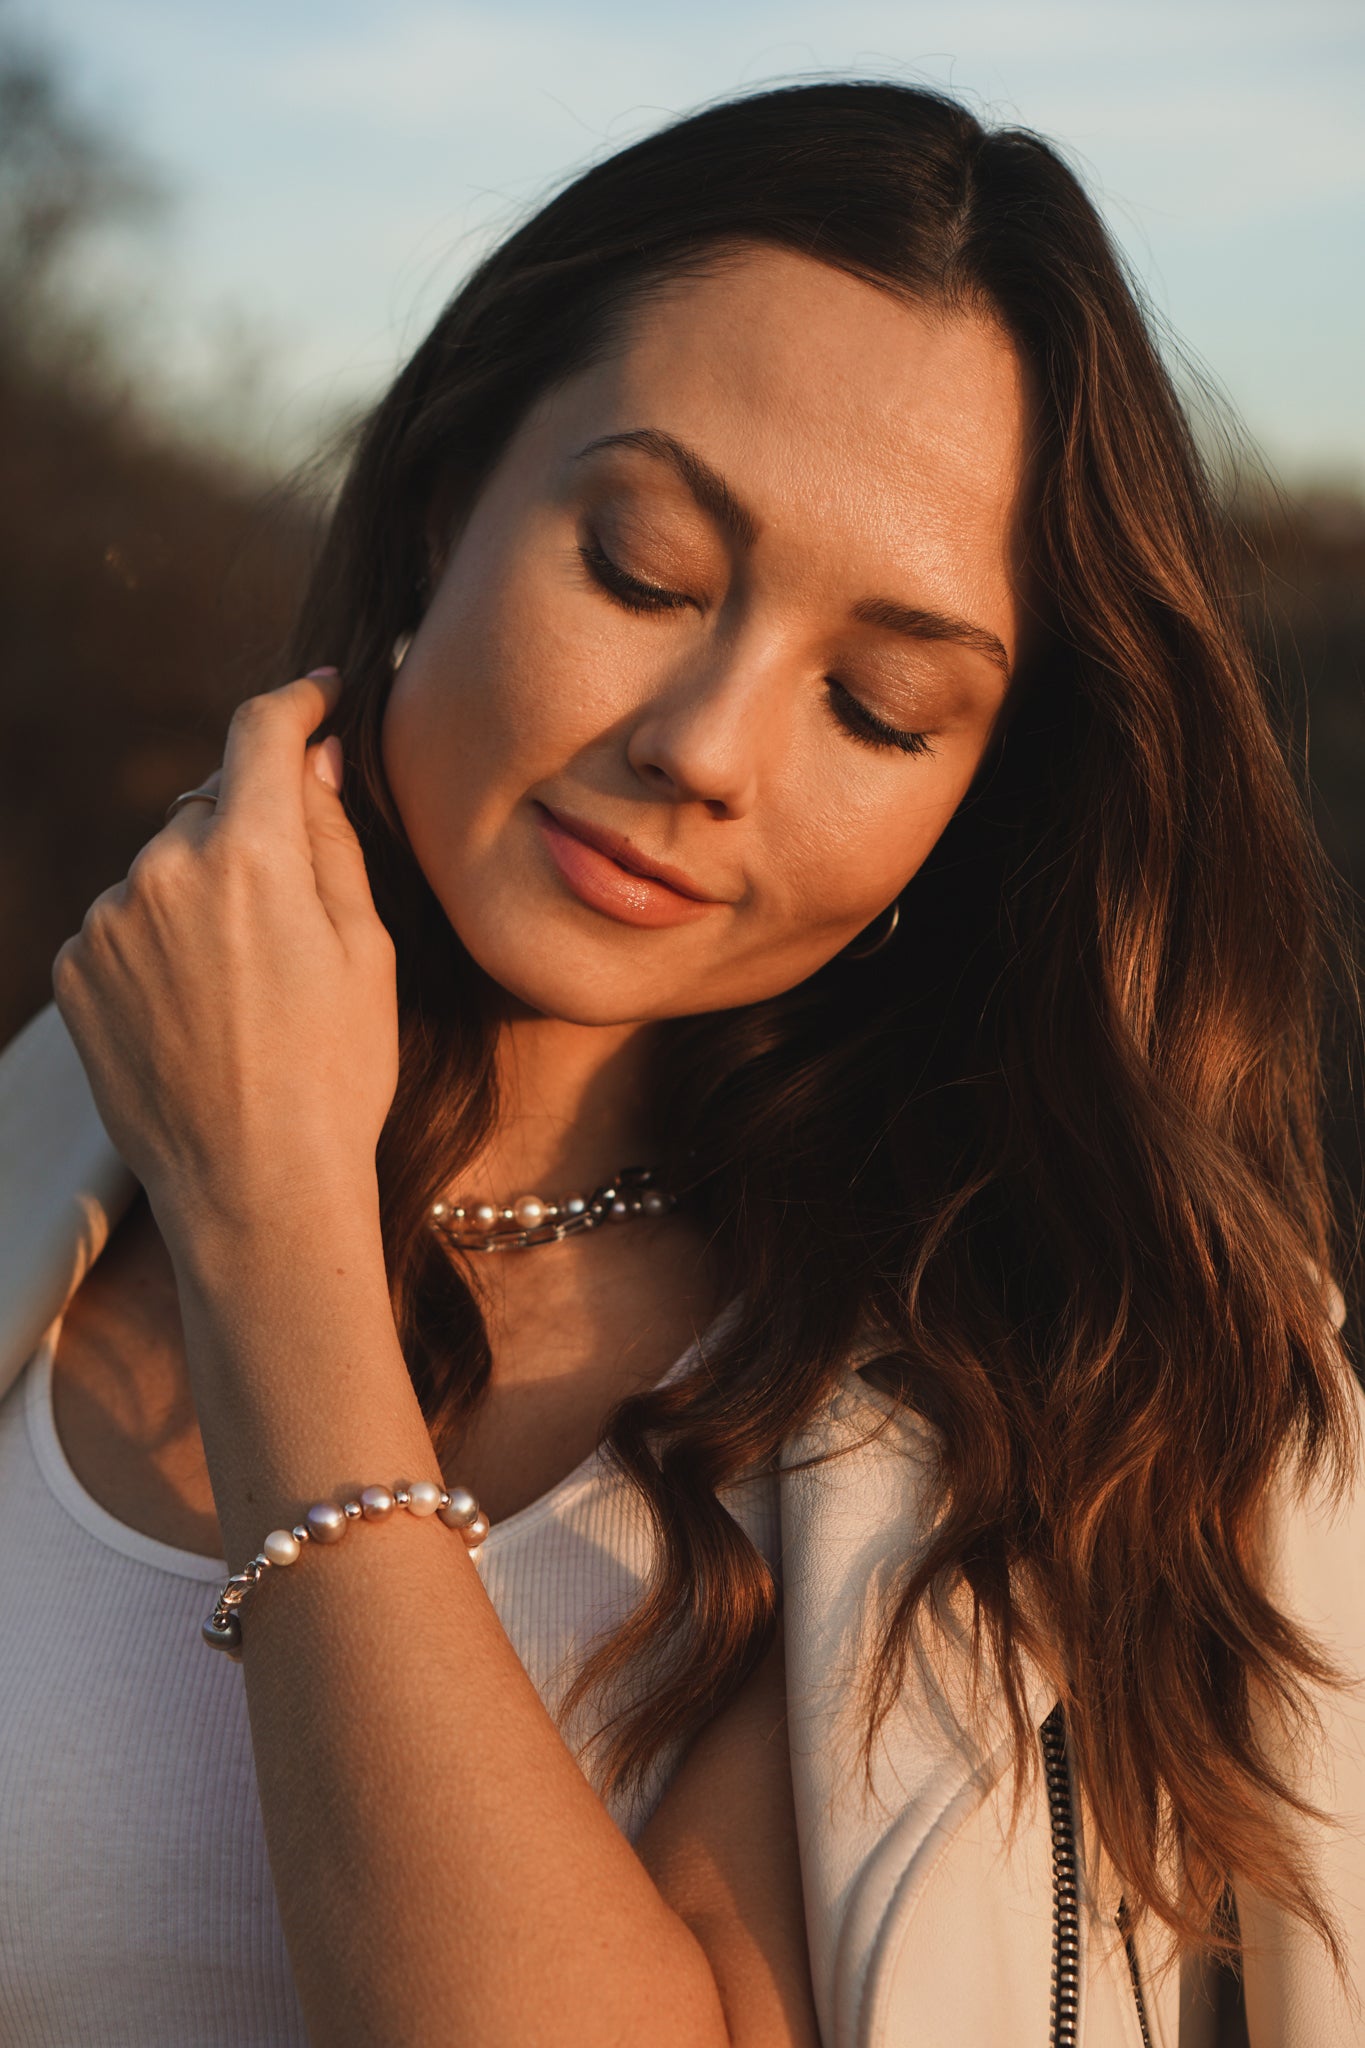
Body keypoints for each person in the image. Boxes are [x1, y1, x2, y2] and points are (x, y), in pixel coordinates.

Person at [0, 78, 1360, 2048]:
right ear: (444, 499)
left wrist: (272, 1237)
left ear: (975, 801)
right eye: (639, 569)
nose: (705, 746)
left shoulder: (1020, 1399)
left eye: (877, 706)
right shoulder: (43, 1173)